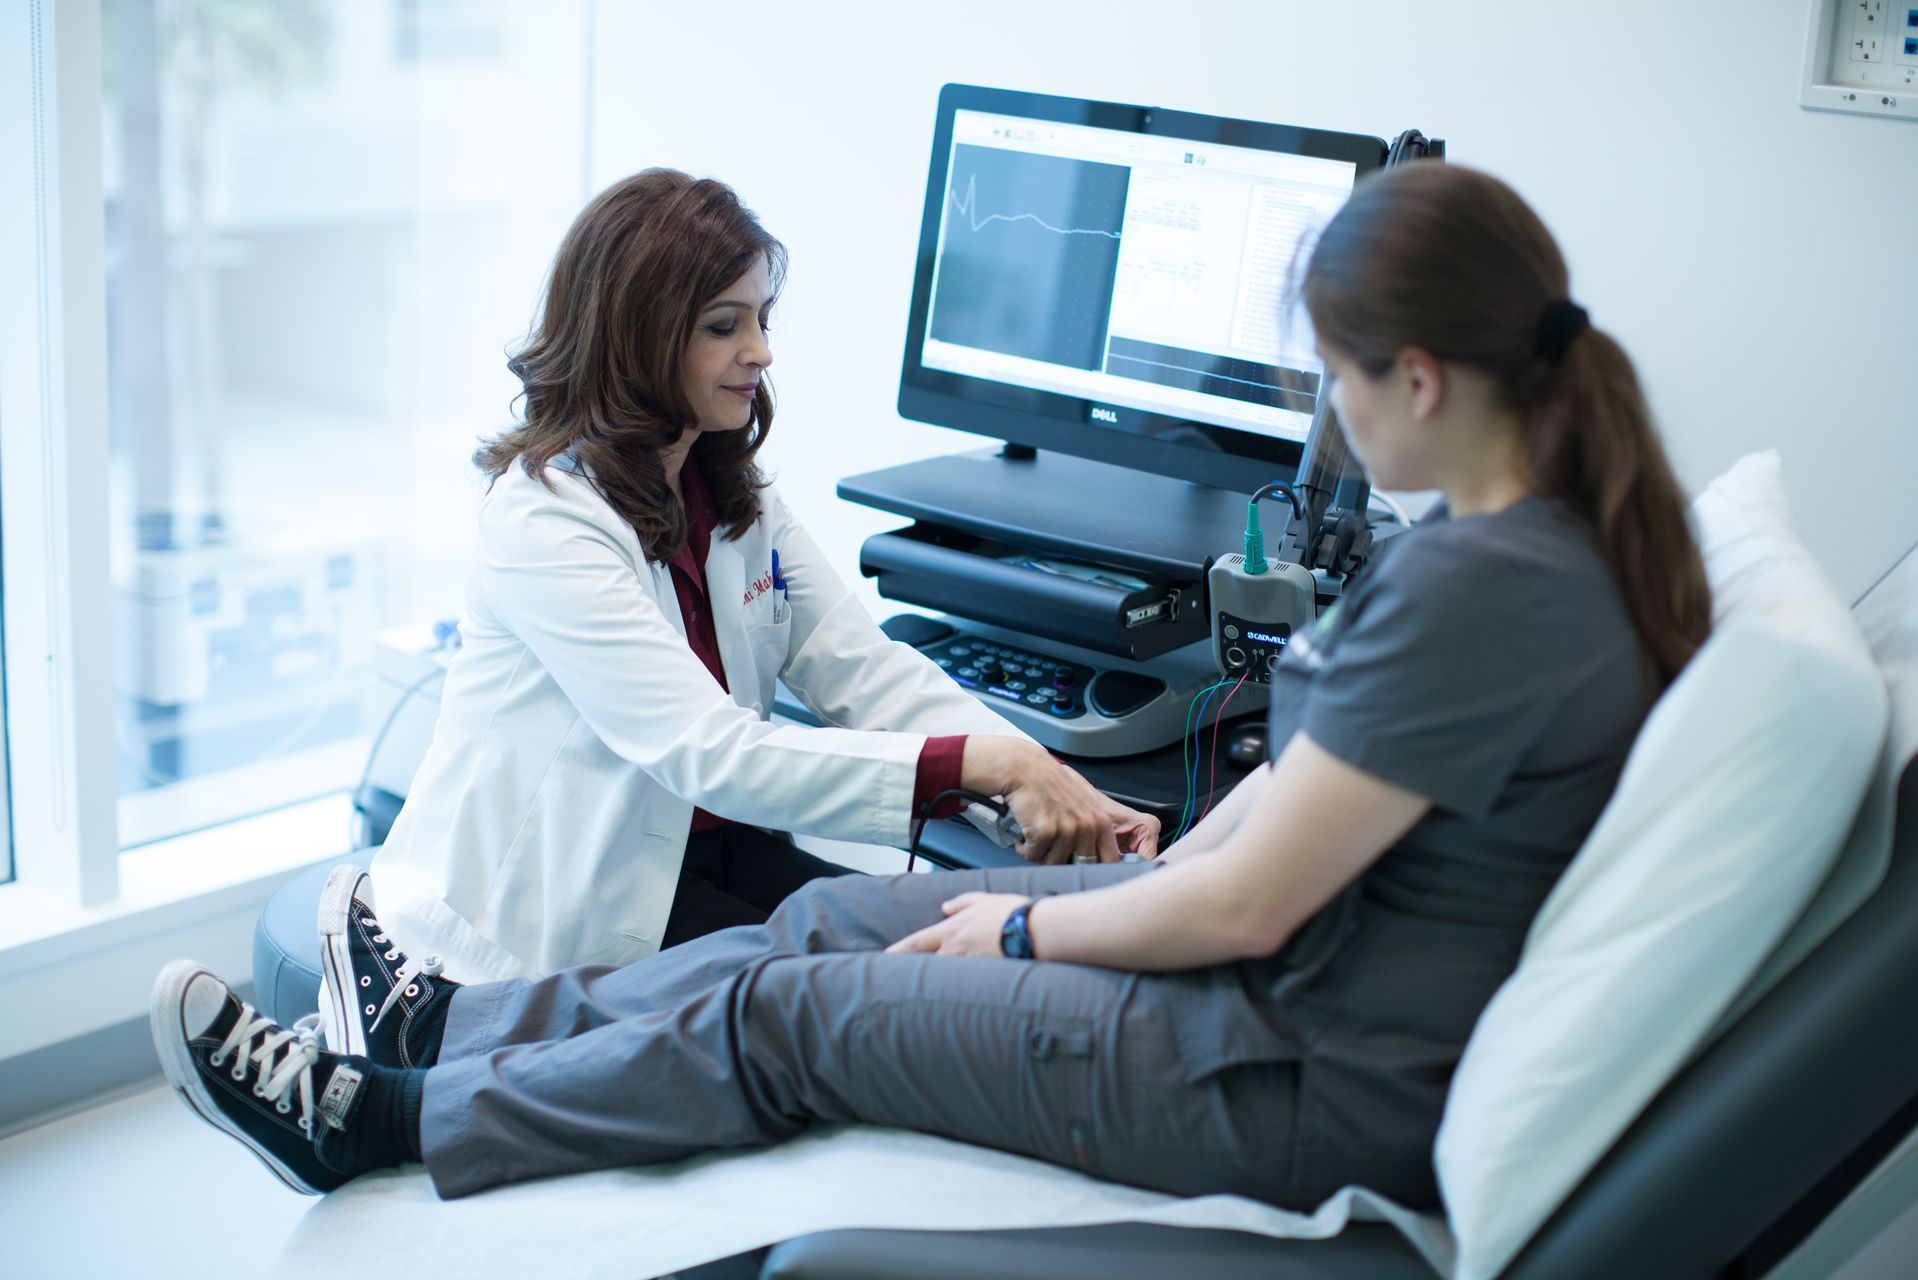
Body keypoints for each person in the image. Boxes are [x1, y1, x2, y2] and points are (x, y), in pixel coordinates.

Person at [151, 163, 1711, 1211]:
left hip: (1286, 1060)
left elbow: (1238, 901)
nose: (1327, 421)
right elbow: (1256, 844)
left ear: (1418, 380)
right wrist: (1086, 833)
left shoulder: (1480, 588)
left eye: (1331, 380)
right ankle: (446, 1038)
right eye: (729, 324)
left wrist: (1035, 912)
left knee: (793, 1012)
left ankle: (381, 1127)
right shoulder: (1519, 563)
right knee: (823, 921)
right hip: (1266, 999)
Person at [368, 169, 1157, 990]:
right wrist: (987, 769)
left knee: (946, 944)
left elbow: (865, 672)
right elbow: (712, 754)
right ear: (637, 337)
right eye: (724, 326)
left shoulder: (731, 494)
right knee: (902, 987)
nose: (761, 352)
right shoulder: (545, 518)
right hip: (553, 912)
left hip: (707, 848)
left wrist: (1056, 789)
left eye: (761, 319)